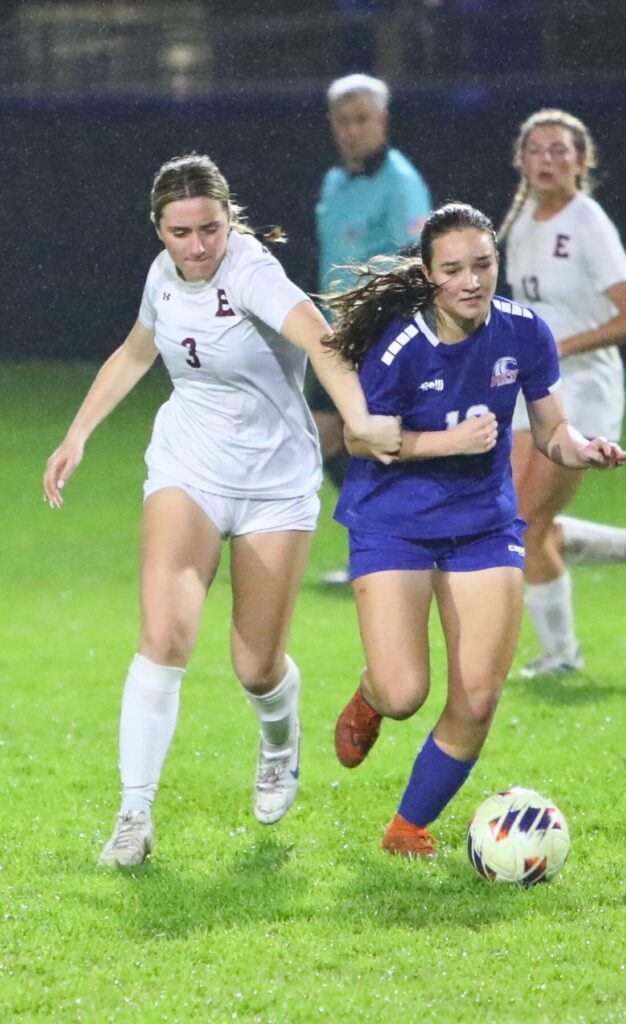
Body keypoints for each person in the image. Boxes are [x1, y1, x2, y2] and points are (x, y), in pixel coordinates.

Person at [43, 153, 400, 868]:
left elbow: (322, 340)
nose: (197, 246)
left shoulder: (252, 272)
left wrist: (357, 418)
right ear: (158, 228)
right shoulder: (163, 274)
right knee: (163, 636)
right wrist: (77, 433)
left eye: (209, 228)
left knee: (255, 666)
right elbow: (135, 352)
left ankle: (279, 740)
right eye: (180, 233)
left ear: (228, 219)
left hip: (273, 481)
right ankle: (133, 815)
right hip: (189, 469)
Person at [325, 201, 626, 858]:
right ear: (427, 275)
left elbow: (550, 427)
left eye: (483, 265)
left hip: (482, 525)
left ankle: (407, 827)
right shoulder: (400, 346)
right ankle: (371, 696)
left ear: (498, 262)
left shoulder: (524, 331)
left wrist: (581, 448)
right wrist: (448, 442)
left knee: (478, 696)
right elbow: (356, 440)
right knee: (405, 692)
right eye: (453, 270)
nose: (471, 281)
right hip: (393, 523)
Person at [500, 108, 626, 678]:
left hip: (583, 389)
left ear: (581, 160)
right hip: (533, 388)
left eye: (559, 150)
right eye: (535, 150)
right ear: (521, 160)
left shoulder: (588, 222)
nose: (546, 160)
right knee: (514, 520)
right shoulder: (521, 220)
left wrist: (560, 347)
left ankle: (562, 655)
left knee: (526, 523)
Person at [312, 72, 432, 583]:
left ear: (382, 121)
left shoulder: (401, 182)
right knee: (327, 438)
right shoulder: (334, 182)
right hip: (334, 338)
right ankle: (382, 544)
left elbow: (416, 264)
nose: (352, 129)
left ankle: (392, 550)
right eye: (343, 120)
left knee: (369, 443)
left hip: (379, 339)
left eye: (362, 119)